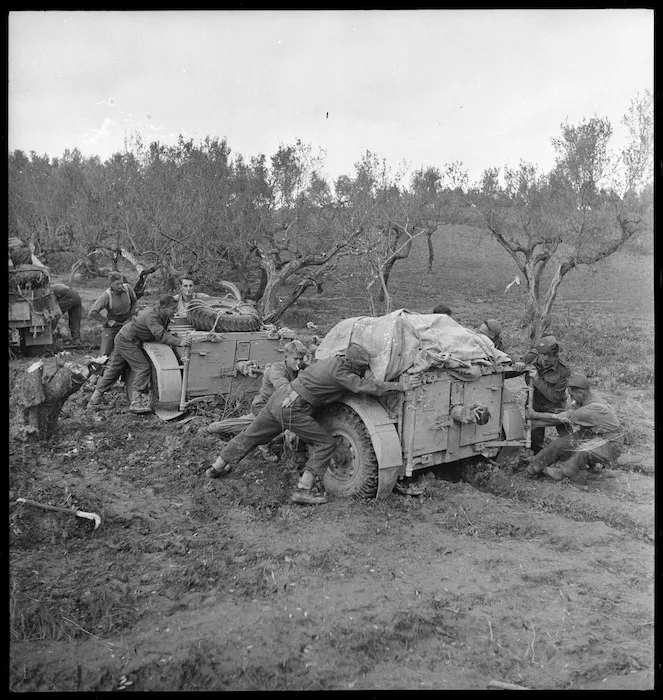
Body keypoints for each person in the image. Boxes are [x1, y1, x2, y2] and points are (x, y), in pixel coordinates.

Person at [204, 343, 407, 505]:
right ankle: (303, 490)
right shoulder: (342, 373)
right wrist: (398, 386)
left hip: (279, 398)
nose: (361, 371)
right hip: (294, 407)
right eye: (360, 368)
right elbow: (363, 386)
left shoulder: (332, 361)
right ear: (353, 364)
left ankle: (217, 467)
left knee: (251, 435)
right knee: (326, 444)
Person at [87, 295, 192, 414]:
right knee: (143, 367)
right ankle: (136, 402)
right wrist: (180, 342)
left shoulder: (162, 314)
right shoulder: (152, 317)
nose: (175, 311)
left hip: (125, 337)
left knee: (114, 369)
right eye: (173, 309)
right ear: (163, 307)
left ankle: (94, 399)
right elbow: (161, 335)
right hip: (127, 340)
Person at [525, 373, 623, 481]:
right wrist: (538, 424)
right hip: (590, 435)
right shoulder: (581, 401)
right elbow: (562, 418)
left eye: (572, 394)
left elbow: (559, 417)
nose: (571, 397)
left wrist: (535, 415)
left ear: (580, 393)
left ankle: (562, 472)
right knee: (557, 445)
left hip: (610, 442)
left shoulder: (593, 408)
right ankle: (533, 467)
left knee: (583, 452)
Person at [522, 336, 571, 454]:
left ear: (556, 356)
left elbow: (555, 397)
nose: (543, 359)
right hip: (535, 403)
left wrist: (537, 379)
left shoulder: (563, 370)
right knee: (535, 439)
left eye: (548, 356)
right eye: (541, 355)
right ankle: (538, 455)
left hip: (554, 405)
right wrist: (519, 362)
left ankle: (570, 452)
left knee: (567, 433)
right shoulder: (532, 357)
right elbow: (514, 358)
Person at [87, 272, 138, 385]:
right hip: (112, 326)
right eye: (117, 284)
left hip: (126, 324)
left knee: (130, 349)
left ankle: (126, 380)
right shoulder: (106, 296)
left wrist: (131, 317)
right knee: (105, 353)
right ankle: (93, 379)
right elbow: (92, 312)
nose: (120, 286)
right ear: (111, 284)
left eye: (121, 283)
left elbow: (134, 302)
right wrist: (107, 321)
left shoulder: (128, 289)